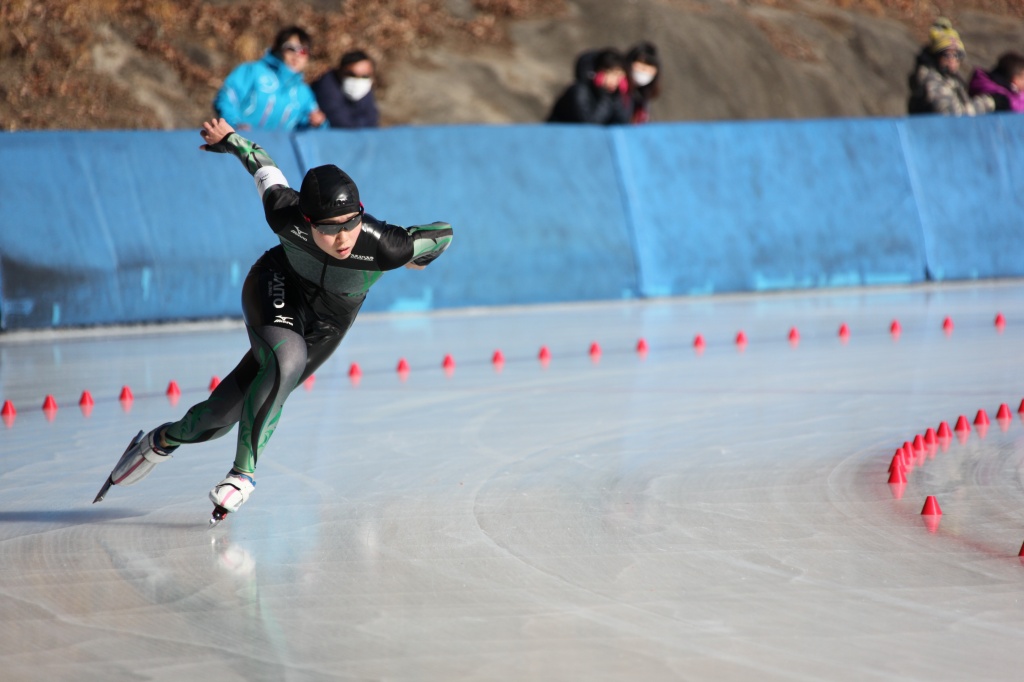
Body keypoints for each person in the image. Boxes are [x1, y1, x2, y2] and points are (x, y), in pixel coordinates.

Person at [94, 117, 453, 524]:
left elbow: (443, 232)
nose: (344, 237)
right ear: (306, 221)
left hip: (329, 323)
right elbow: (263, 167)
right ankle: (242, 474)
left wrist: (420, 254)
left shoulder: (386, 246)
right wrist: (230, 139)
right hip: (276, 283)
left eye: (352, 221)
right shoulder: (283, 211)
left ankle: (160, 440)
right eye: (330, 228)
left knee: (218, 418)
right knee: (287, 357)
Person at [213, 25, 327, 131]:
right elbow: (227, 97)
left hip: (276, 150)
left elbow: (306, 130)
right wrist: (234, 125)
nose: (297, 55)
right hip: (240, 145)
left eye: (303, 51)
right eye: (291, 48)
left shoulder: (304, 93)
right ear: (278, 49)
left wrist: (316, 123)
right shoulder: (253, 71)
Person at [907, 17, 1000, 116]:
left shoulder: (953, 80)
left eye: (957, 55)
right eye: (946, 55)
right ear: (936, 57)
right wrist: (990, 103)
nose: (952, 60)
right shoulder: (932, 81)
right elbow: (955, 117)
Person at [547, 48, 632, 125]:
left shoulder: (616, 95)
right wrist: (605, 96)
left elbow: (622, 122)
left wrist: (618, 96)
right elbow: (590, 123)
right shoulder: (580, 91)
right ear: (599, 73)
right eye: (613, 74)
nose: (616, 80)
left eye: (620, 75)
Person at [311, 49, 381, 129]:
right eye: (352, 75)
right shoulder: (326, 88)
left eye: (365, 76)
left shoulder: (365, 90)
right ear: (340, 71)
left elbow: (372, 120)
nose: (358, 80)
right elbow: (342, 123)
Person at [626, 42, 661, 124]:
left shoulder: (644, 94)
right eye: (640, 64)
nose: (644, 70)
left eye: (649, 66)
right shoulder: (617, 88)